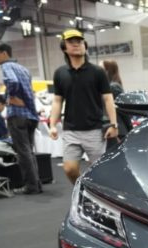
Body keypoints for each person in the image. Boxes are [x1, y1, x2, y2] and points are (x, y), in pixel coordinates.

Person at [49, 29, 118, 184]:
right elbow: (57, 100)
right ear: (64, 48)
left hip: (94, 129)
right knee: (70, 169)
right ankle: (82, 189)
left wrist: (114, 124)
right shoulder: (60, 73)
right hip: (70, 130)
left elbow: (108, 99)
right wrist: (52, 125)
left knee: (100, 171)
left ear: (85, 46)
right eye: (71, 42)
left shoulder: (98, 72)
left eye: (79, 42)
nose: (76, 45)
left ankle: (98, 193)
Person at [0, 41, 42, 194]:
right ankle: (36, 184)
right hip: (30, 115)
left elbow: (12, 81)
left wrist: (9, 97)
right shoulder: (23, 68)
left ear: (4, 53)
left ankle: (31, 186)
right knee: (29, 151)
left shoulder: (6, 66)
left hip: (17, 115)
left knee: (23, 152)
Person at [100, 59, 132, 151]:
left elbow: (123, 109)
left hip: (117, 129)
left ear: (108, 71)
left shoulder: (113, 87)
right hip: (111, 128)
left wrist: (129, 128)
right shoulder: (110, 86)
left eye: (101, 68)